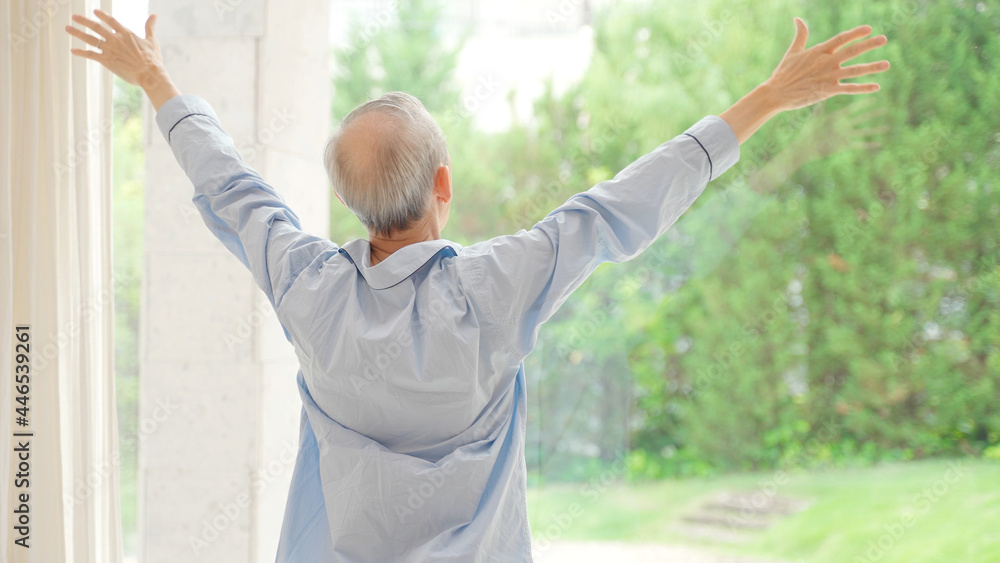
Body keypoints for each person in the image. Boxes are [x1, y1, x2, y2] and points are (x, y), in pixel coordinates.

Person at [66, 9, 889, 562]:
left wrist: (154, 80)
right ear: (444, 184)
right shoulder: (496, 288)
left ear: (353, 208)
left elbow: (232, 183)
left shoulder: (307, 288)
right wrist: (770, 98)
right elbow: (628, 200)